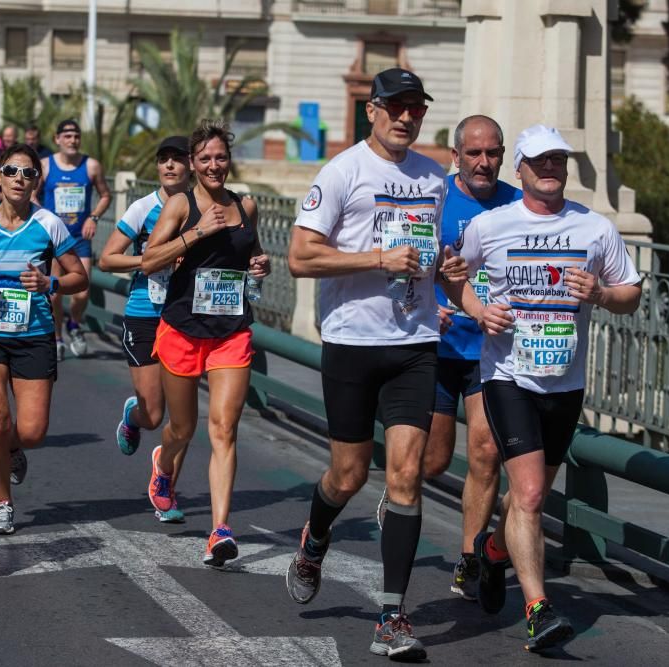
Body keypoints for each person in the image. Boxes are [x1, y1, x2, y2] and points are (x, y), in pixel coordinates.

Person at [283, 69, 468, 661]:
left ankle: (392, 615)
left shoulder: (435, 178)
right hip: (352, 344)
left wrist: (449, 276)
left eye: (415, 108)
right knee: (348, 475)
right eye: (395, 107)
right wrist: (376, 258)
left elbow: (433, 254)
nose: (406, 118)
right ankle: (315, 538)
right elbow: (299, 258)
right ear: (373, 110)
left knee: (407, 476)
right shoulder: (343, 172)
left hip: (414, 344)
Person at [446, 124, 641, 652]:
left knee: (526, 498)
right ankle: (538, 610)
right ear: (522, 170)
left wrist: (600, 292)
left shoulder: (594, 229)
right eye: (540, 161)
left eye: (558, 160)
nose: (550, 168)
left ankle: (490, 555)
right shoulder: (491, 225)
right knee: (530, 495)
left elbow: (631, 294)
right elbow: (452, 274)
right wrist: (478, 310)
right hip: (508, 377)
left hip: (565, 381)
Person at [376, 115, 521, 603]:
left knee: (485, 452)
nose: (484, 163)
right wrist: (427, 302)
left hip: (490, 351)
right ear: (456, 156)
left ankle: (469, 559)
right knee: (433, 459)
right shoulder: (434, 196)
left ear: (503, 156)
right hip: (436, 349)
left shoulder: (518, 205)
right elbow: (401, 256)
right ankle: (399, 488)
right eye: (474, 153)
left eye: (493, 153)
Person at [140, 120, 270, 564]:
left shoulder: (245, 205)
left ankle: (219, 529)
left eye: (221, 157)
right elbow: (148, 260)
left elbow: (248, 254)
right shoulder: (181, 204)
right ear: (194, 164)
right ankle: (164, 463)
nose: (214, 165)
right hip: (181, 329)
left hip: (231, 332)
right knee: (183, 427)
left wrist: (258, 265)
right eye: (206, 159)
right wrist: (197, 232)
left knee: (223, 429)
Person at [0, 144, 88, 534]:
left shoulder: (49, 224)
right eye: (11, 171)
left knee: (31, 431)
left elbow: (79, 276)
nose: (18, 179)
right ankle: (1, 503)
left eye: (28, 173)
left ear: (36, 181)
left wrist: (51, 282)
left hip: (34, 334)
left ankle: (11, 449)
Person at [98, 136, 191, 522]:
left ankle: (166, 484)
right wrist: (150, 260)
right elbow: (107, 258)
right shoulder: (144, 207)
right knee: (154, 416)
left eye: (177, 159)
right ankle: (133, 415)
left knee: (183, 418)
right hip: (144, 314)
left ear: (192, 166)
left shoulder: (204, 208)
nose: (169, 166)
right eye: (163, 160)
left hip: (187, 317)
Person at [40, 119, 111, 359]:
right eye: (67, 136)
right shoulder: (45, 166)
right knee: (55, 293)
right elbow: (32, 195)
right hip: (55, 239)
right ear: (57, 139)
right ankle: (58, 337)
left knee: (82, 291)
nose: (72, 140)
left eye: (76, 136)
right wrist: (42, 219)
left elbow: (105, 196)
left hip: (80, 237)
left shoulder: (91, 166)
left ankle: (74, 324)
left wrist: (93, 217)